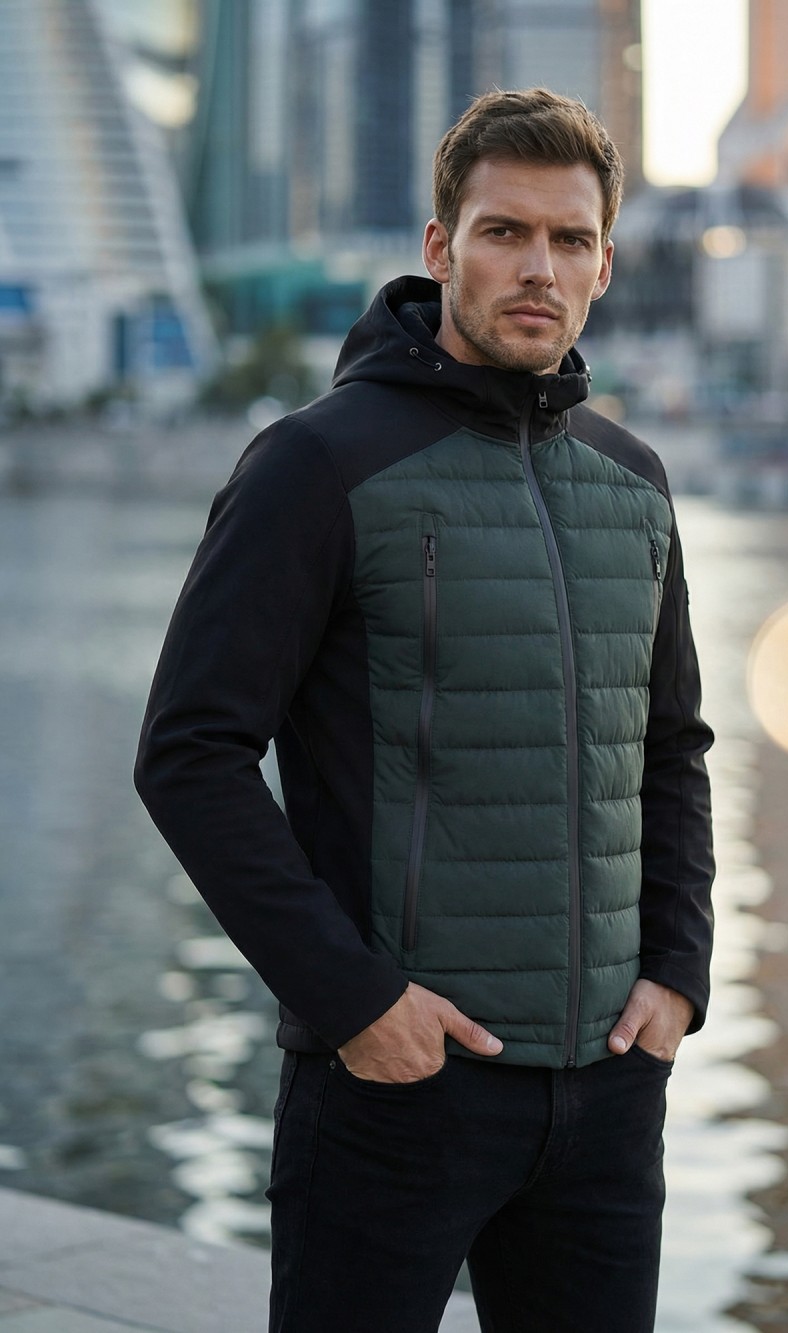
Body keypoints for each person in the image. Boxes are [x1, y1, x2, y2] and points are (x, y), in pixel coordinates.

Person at [135, 87, 714, 1333]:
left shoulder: (634, 482)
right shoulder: (318, 462)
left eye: (568, 239)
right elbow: (190, 755)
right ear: (442, 248)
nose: (538, 267)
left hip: (609, 1094)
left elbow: (669, 747)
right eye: (505, 232)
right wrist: (353, 1001)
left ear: (605, 264)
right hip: (396, 1085)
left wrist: (677, 970)